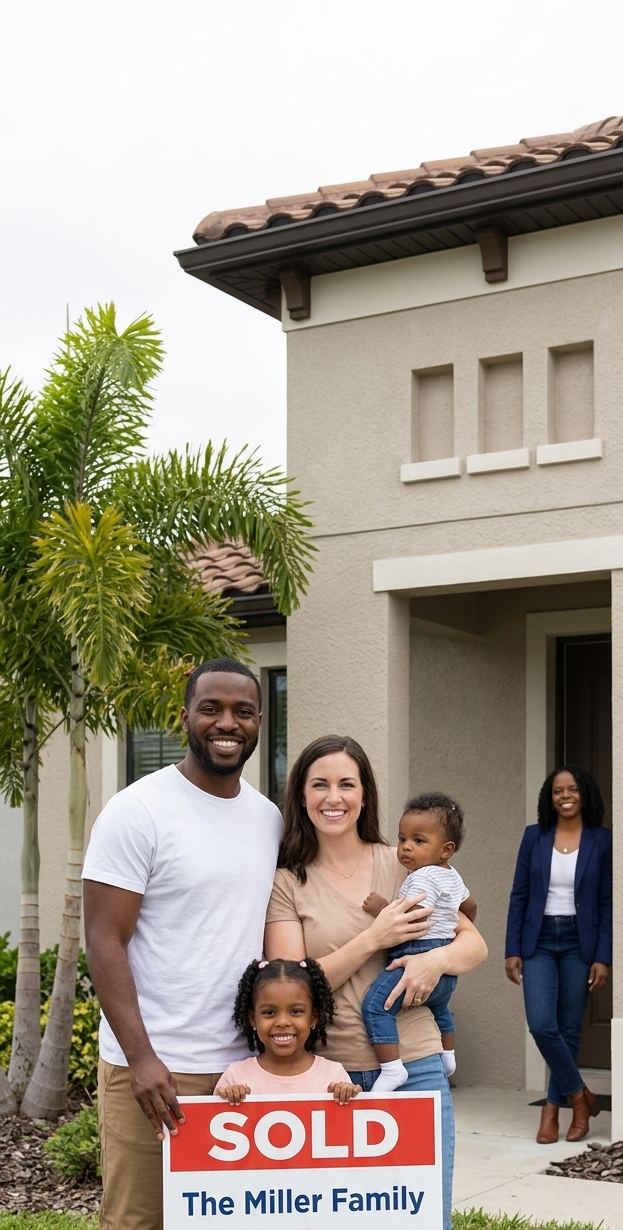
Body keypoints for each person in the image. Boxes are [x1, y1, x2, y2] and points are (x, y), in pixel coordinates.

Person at [82, 658, 283, 1230]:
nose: (227, 723)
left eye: (242, 711)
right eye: (211, 708)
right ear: (185, 717)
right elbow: (103, 939)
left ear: (259, 721)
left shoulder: (267, 819)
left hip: (243, 1070)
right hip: (153, 1069)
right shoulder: (138, 811)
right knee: (138, 1221)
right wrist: (143, 1058)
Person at [264, 734, 488, 1230]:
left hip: (416, 1068)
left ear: (365, 795)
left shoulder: (404, 862)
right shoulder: (288, 881)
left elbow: (475, 945)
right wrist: (374, 937)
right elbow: (291, 988)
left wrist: (436, 961)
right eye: (319, 784)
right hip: (328, 1077)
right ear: (302, 796)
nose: (334, 797)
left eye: (347, 783)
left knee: (423, 1218)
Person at [505, 764, 612, 1145]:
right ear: (548, 798)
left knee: (567, 1029)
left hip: (579, 942)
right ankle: (580, 1097)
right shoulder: (534, 837)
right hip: (538, 940)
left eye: (572, 790)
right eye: (557, 791)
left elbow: (606, 903)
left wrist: (603, 956)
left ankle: (553, 1111)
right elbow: (519, 894)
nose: (565, 796)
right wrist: (512, 948)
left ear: (584, 794)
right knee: (540, 1024)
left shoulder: (602, 840)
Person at [361, 792, 477, 1090]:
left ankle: (391, 1069)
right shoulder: (452, 875)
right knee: (440, 1009)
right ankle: (449, 1056)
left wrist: (380, 908)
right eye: (402, 839)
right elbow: (470, 906)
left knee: (377, 1006)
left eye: (418, 841)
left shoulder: (423, 876)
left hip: (415, 954)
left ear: (445, 849)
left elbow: (410, 915)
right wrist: (451, 924)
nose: (406, 848)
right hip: (444, 962)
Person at [216, 956, 360, 1103]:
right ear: (253, 1019)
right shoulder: (235, 1076)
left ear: (313, 1017)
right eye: (269, 1012)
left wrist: (346, 1095)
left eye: (296, 1011)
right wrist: (229, 1098)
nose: (282, 1022)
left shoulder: (333, 1074)